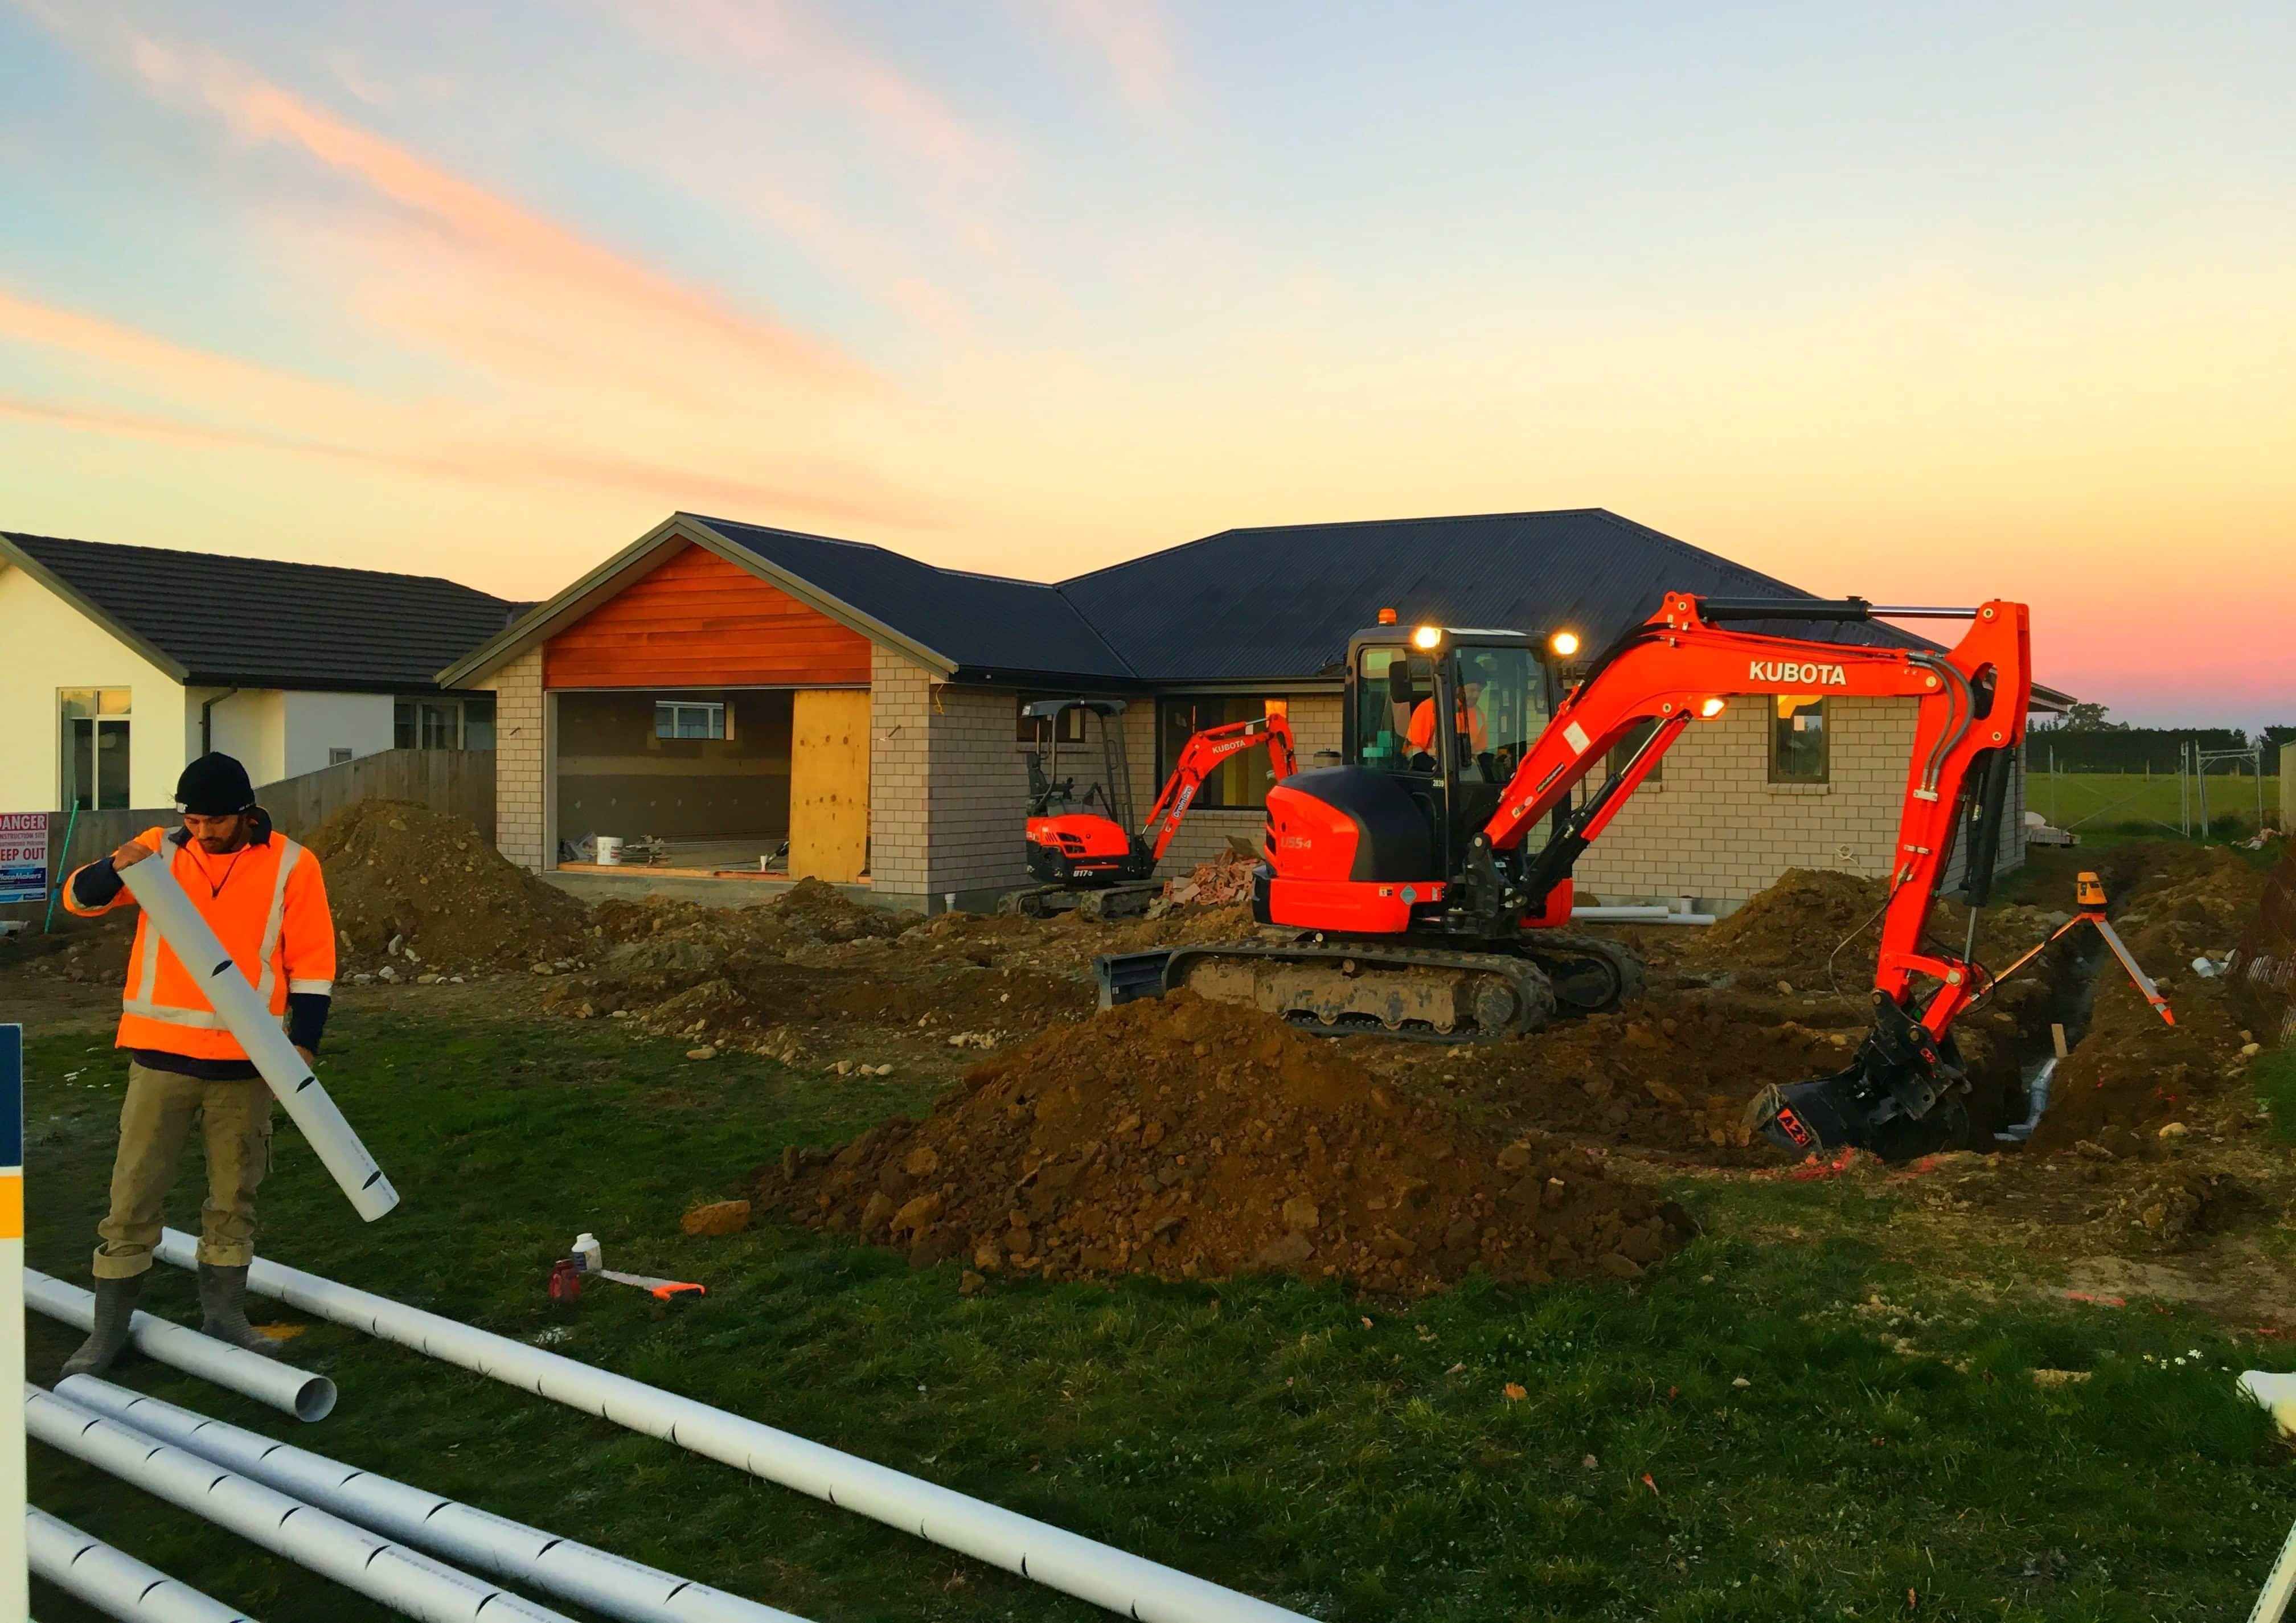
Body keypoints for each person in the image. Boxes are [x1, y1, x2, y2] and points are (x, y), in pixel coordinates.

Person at [58, 752, 336, 1378]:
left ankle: (224, 1318)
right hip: (160, 1058)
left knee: (234, 1196)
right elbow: (78, 898)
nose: (204, 832)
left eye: (216, 821)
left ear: (245, 813)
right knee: (132, 1196)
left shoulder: (293, 863)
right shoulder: (158, 849)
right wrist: (112, 867)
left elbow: (313, 962)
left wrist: (305, 1044)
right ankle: (107, 1335)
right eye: (195, 819)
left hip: (246, 1062)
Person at [1407, 677, 1489, 761]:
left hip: (1467, 769)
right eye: (1472, 690)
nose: (1476, 695)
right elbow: (1412, 750)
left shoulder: (1478, 713)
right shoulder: (1429, 708)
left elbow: (1480, 750)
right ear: (1458, 689)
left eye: (1480, 691)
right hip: (1435, 768)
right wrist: (1432, 767)